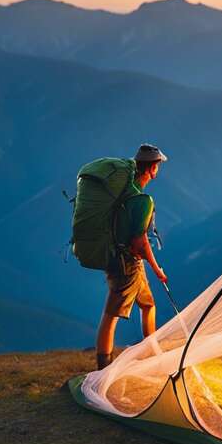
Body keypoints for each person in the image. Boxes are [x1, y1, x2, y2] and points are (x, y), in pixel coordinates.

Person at [95, 144, 169, 370]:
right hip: (127, 265)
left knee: (148, 304)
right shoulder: (142, 200)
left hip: (120, 259)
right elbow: (140, 240)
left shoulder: (124, 193)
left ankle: (153, 354)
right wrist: (157, 269)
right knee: (111, 315)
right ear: (152, 168)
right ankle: (103, 368)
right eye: (158, 165)